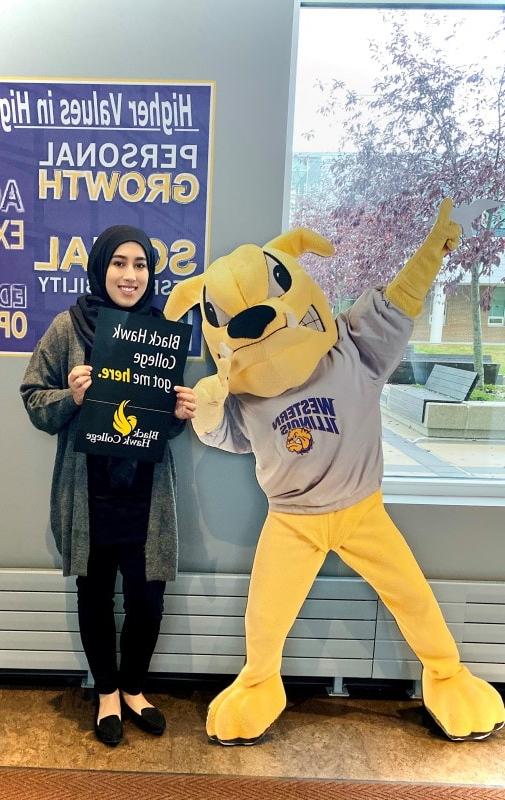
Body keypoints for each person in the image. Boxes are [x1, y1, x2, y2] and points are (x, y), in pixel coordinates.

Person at [20, 225, 196, 747]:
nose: (130, 274)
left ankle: (136, 688)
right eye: (119, 263)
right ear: (100, 268)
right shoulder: (67, 328)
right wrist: (70, 398)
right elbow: (33, 398)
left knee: (147, 599)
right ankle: (107, 694)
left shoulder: (161, 333)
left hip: (145, 494)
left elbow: (157, 418)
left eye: (140, 264)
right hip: (89, 492)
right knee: (94, 594)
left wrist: (180, 415)